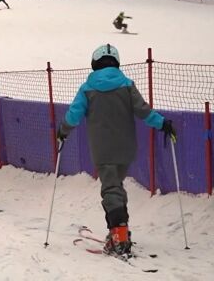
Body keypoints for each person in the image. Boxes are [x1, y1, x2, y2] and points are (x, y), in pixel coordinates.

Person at [56, 44, 175, 257]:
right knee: (116, 187)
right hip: (126, 148)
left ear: (95, 63)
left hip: (103, 149)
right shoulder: (127, 85)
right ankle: (121, 232)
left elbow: (74, 115)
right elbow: (144, 111)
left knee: (110, 189)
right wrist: (163, 123)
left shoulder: (87, 88)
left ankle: (119, 237)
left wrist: (63, 131)